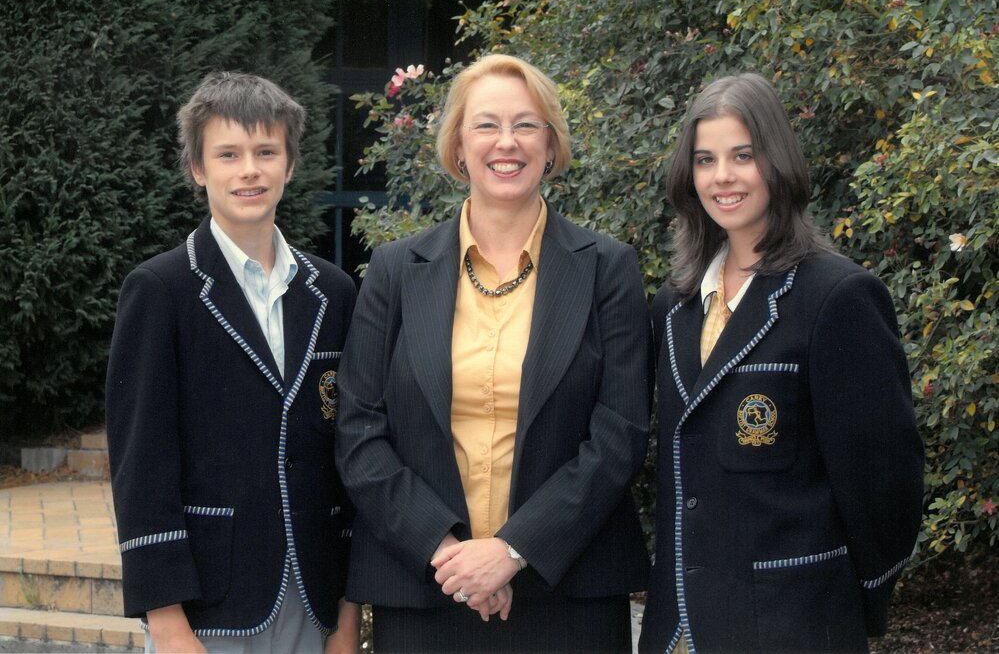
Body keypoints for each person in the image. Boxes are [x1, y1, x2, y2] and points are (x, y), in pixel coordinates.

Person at [334, 54, 652, 653]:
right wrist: (449, 553)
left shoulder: (608, 269)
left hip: (568, 595)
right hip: (427, 591)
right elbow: (359, 432)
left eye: (527, 125)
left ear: (552, 146)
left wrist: (511, 550)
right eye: (486, 124)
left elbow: (620, 434)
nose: (506, 142)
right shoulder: (395, 272)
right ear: (457, 145)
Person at [638, 72, 924, 654]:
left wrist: (859, 597)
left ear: (777, 161)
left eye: (743, 155)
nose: (723, 177)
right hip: (679, 631)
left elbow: (885, 482)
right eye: (705, 159)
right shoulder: (674, 307)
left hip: (796, 624)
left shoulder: (837, 297)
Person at [106, 71, 360, 654]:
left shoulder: (335, 292)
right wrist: (166, 622)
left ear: (289, 165)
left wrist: (349, 610)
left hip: (314, 597)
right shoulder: (161, 290)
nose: (250, 169)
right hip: (207, 607)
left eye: (266, 151)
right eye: (228, 154)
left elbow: (348, 452)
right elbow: (140, 464)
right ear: (198, 169)